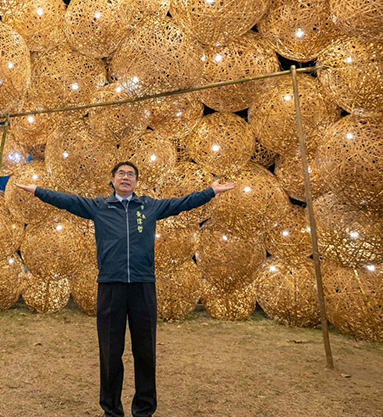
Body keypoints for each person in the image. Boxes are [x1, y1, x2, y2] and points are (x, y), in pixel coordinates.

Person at [15, 161, 236, 417]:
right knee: (110, 352)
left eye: (131, 174)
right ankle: (111, 410)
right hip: (111, 287)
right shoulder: (99, 207)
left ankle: (144, 409)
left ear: (136, 182)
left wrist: (211, 191)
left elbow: (181, 203)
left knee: (145, 351)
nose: (126, 177)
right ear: (113, 180)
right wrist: (37, 190)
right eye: (121, 174)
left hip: (143, 286)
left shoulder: (149, 206)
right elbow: (66, 200)